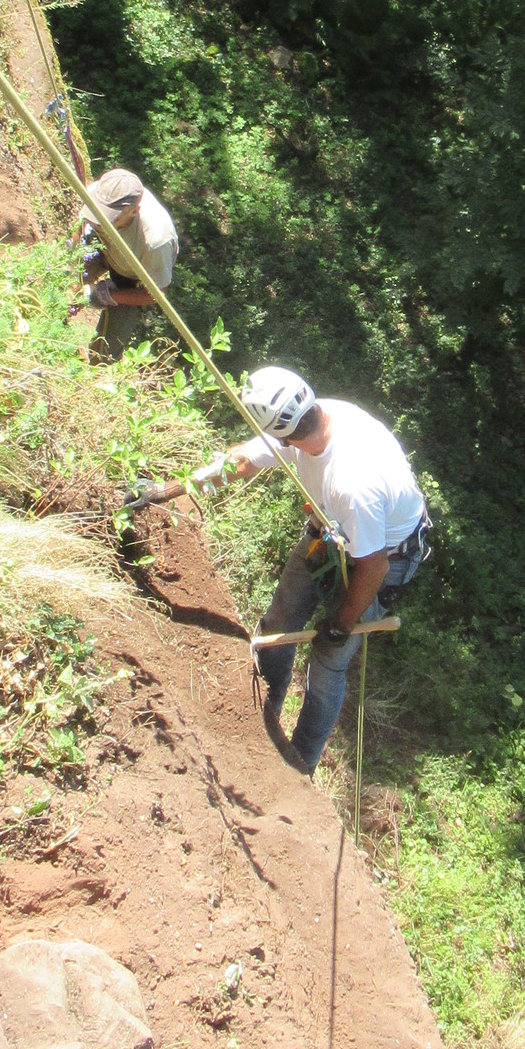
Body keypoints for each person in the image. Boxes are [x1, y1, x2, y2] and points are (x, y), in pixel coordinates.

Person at [189, 367, 431, 774]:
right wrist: (177, 486)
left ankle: (299, 763)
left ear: (285, 435)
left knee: (328, 661)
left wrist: (342, 622)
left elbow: (374, 565)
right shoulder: (316, 420)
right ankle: (262, 712)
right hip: (332, 530)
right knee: (280, 622)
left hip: (385, 555)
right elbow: (244, 460)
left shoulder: (351, 482)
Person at [78, 163, 179, 361]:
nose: (99, 220)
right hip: (104, 248)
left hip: (134, 277)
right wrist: (74, 264)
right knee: (64, 283)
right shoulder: (97, 194)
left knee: (105, 352)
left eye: (108, 217)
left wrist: (109, 295)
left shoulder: (156, 241)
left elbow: (157, 294)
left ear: (133, 212)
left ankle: (98, 367)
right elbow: (80, 224)